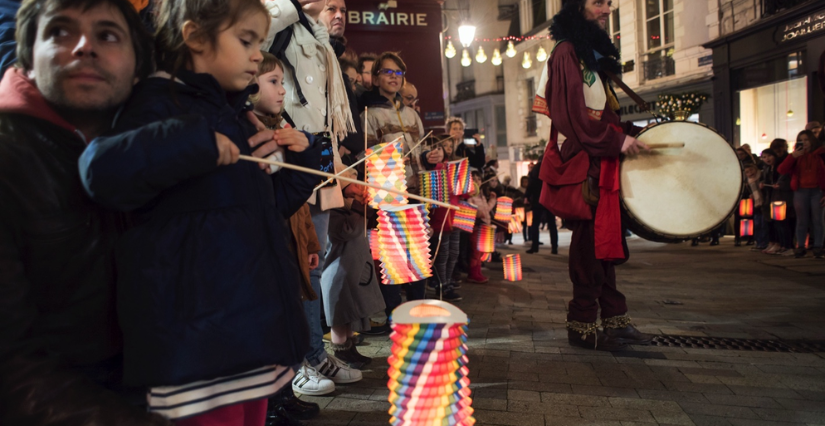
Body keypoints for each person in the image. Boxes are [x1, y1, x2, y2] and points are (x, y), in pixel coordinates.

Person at [78, 0, 322, 423]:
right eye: (245, 40)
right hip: (197, 345)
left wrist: (302, 162)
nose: (254, 54)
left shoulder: (234, 115)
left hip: (247, 331)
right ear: (194, 37)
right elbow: (101, 171)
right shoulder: (156, 102)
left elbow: (269, 211)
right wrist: (190, 141)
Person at [0, 0, 166, 424]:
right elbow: (11, 369)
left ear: (138, 67)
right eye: (59, 32)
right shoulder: (10, 156)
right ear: (27, 58)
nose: (83, 47)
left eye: (107, 35)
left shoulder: (152, 150)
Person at [536, 0, 652, 351]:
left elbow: (597, 115)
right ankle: (584, 321)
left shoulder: (584, 53)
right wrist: (616, 139)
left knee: (600, 243)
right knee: (589, 245)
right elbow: (572, 118)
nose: (608, 8)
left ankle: (612, 319)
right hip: (584, 163)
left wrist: (633, 132)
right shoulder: (567, 51)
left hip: (595, 159)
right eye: (599, 2)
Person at [262, 0, 362, 397]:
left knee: (311, 263)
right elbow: (260, 42)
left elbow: (323, 108)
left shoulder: (317, 36)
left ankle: (312, 352)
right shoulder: (279, 14)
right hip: (286, 154)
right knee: (289, 265)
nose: (335, 10)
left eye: (341, 5)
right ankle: (294, 365)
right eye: (330, 5)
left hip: (316, 155)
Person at [249, 52, 323, 426]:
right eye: (273, 81)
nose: (282, 90)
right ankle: (274, 402)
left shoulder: (280, 126)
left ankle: (285, 394)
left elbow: (296, 205)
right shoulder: (252, 132)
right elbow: (278, 201)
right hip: (264, 248)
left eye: (282, 81)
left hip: (285, 239)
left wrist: (308, 243)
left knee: (285, 317)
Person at [778, 130, 825, 258]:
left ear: (812, 140)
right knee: (801, 220)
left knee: (818, 220)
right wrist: (792, 156)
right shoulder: (796, 155)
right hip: (800, 191)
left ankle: (818, 246)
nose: (804, 143)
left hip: (817, 190)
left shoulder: (821, 154)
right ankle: (800, 246)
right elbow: (781, 170)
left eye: (806, 140)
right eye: (801, 140)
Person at [759, 149, 793, 255]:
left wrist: (779, 185)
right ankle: (780, 245)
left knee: (783, 223)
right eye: (764, 157)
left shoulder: (780, 168)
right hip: (772, 198)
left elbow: (787, 182)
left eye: (769, 156)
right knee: (776, 223)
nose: (767, 159)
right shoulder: (767, 169)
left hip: (782, 198)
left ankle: (787, 246)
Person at [526, 157, 557, 254]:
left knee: (535, 224)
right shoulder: (550, 170)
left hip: (537, 201)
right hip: (549, 200)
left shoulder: (535, 171)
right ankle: (554, 247)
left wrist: (527, 196)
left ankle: (534, 246)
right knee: (552, 224)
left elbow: (530, 186)